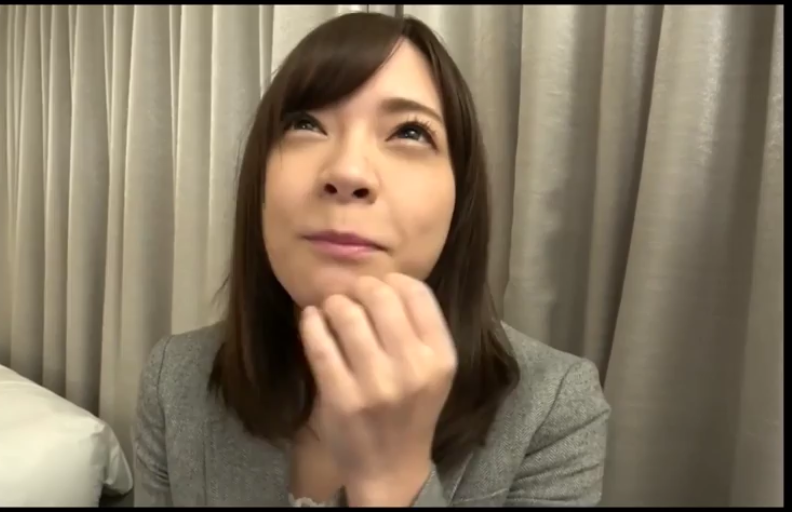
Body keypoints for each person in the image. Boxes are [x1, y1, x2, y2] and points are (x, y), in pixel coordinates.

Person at [133, 11, 610, 507]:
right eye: (305, 124)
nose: (347, 171)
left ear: (459, 198)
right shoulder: (175, 379)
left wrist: (392, 480)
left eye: (409, 132)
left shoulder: (556, 407)